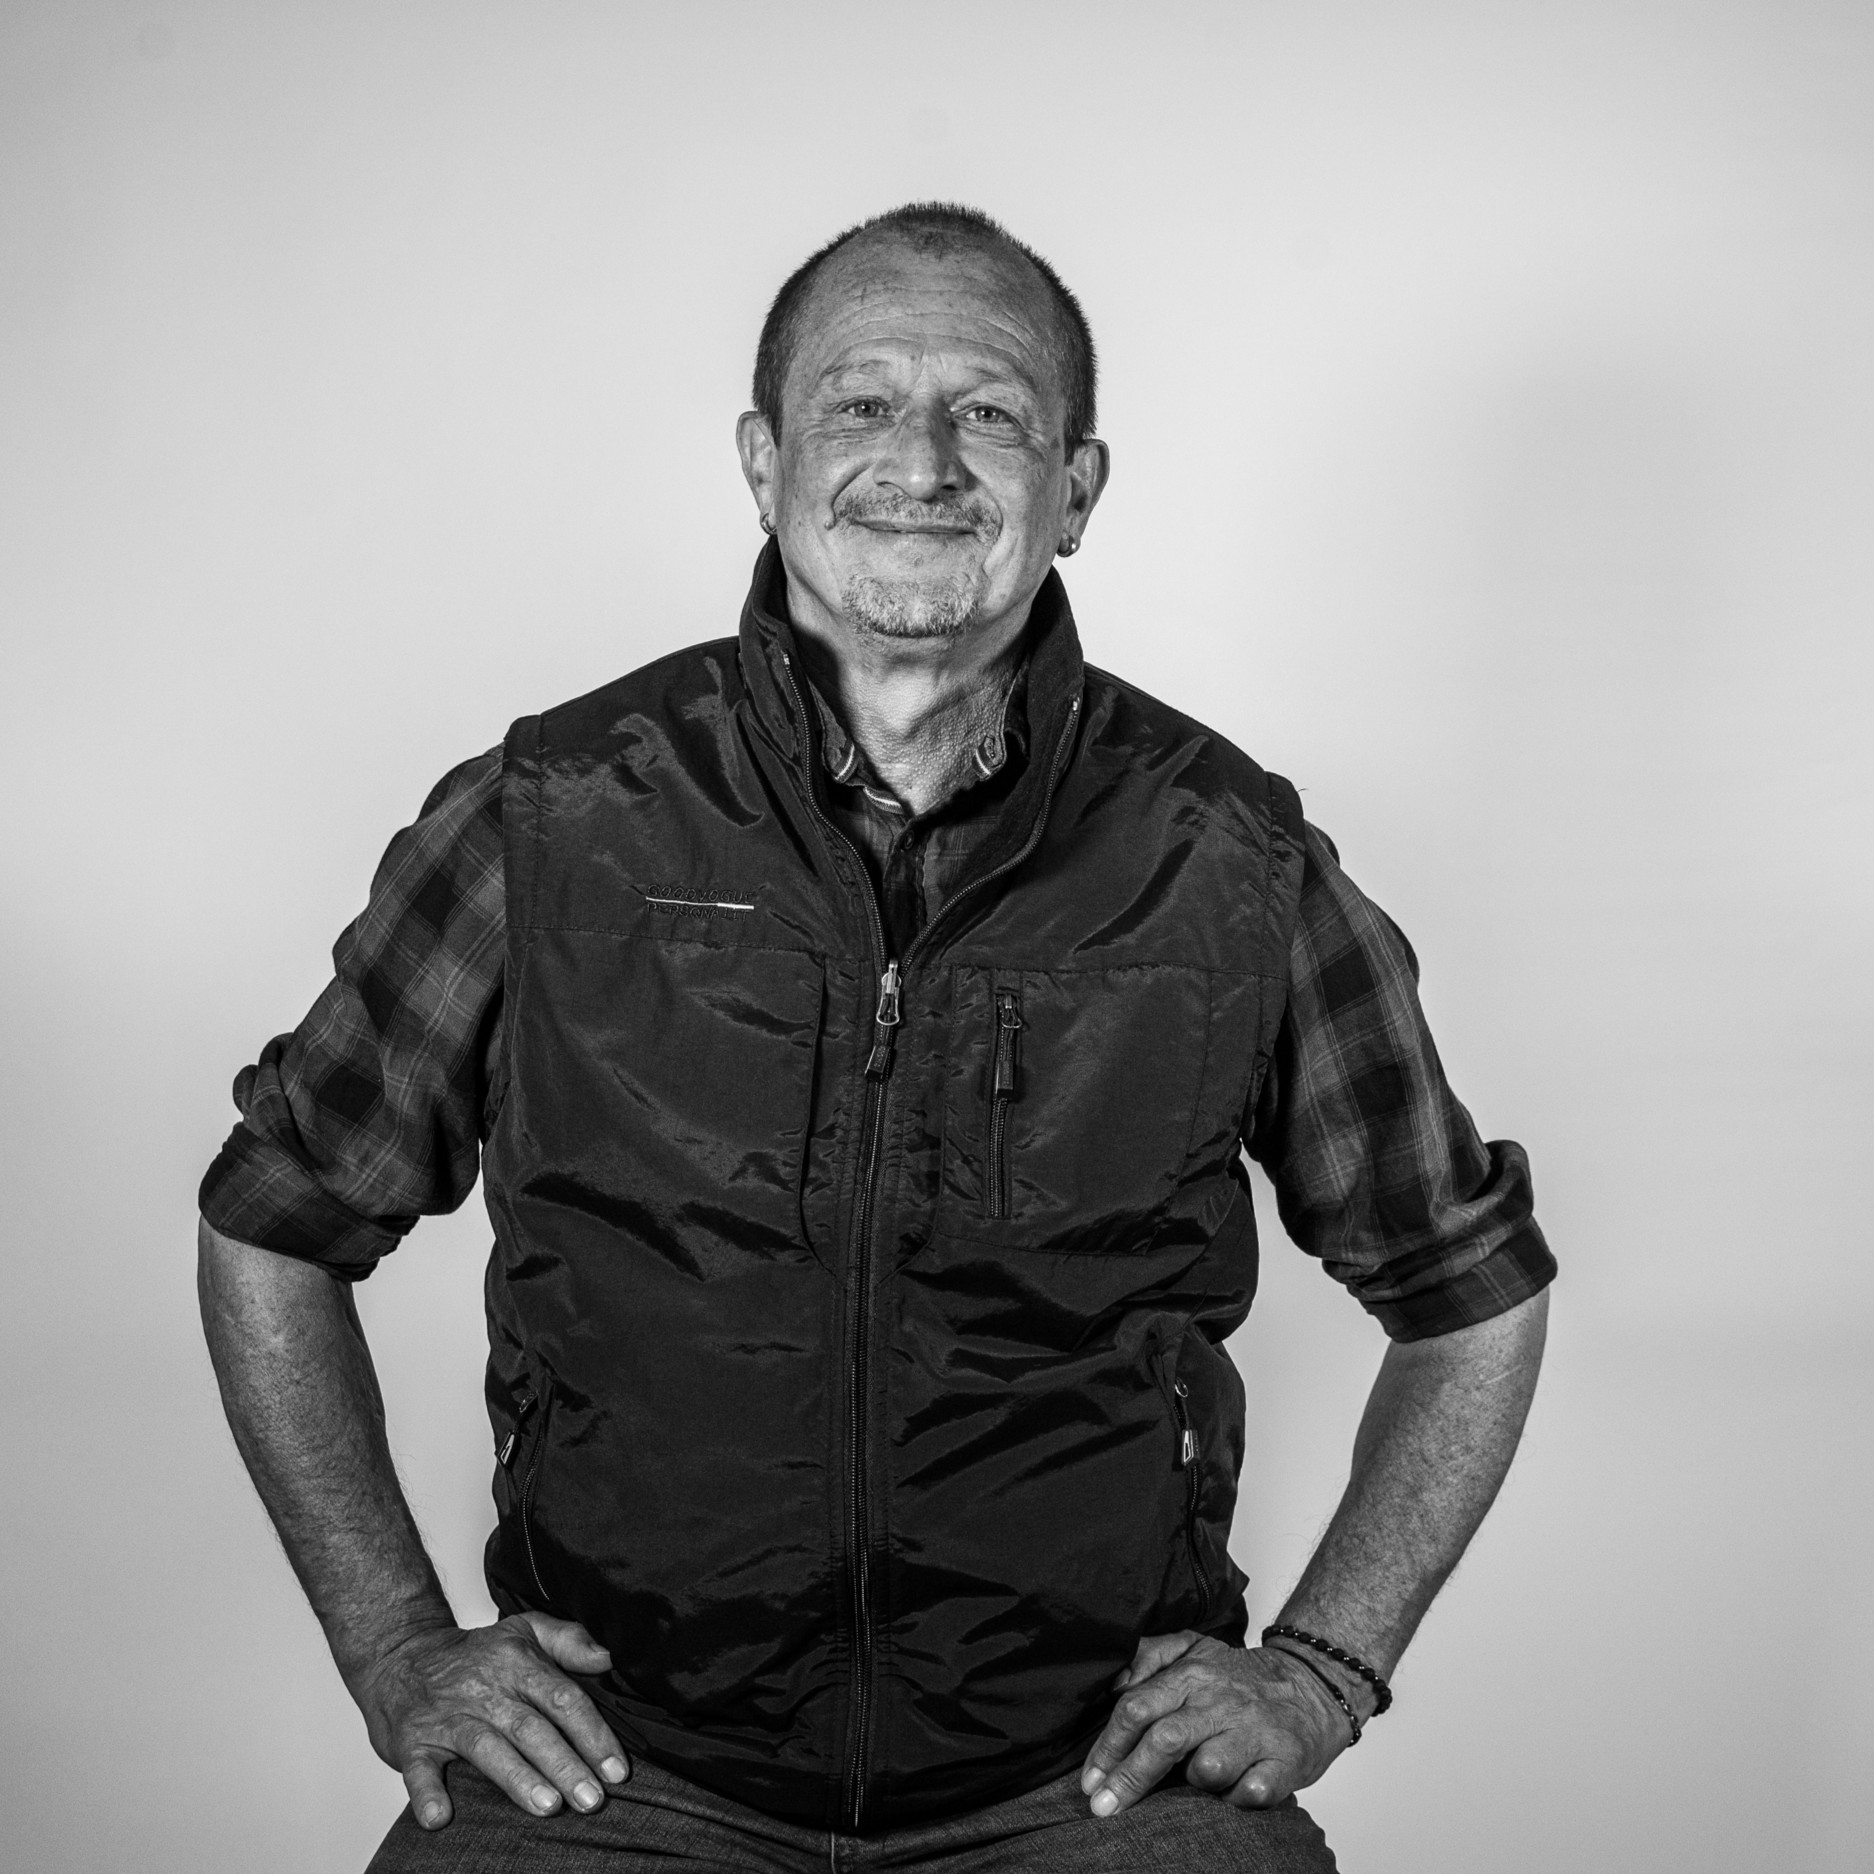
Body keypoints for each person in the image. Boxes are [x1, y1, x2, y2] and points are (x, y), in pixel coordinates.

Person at [198, 202, 1554, 1873]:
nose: (921, 460)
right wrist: (394, 1642)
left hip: (1089, 1783)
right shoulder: (549, 819)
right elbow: (274, 1222)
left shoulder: (1229, 861)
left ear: (1076, 489)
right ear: (764, 463)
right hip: (616, 1770)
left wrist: (1324, 1670)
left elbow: (1469, 1293)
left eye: (990, 412)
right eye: (859, 404)